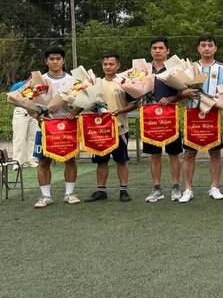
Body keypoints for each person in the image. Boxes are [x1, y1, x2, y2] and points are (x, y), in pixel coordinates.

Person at [179, 35, 223, 203]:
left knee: (215, 153)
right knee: (189, 153)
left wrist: (220, 101)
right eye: (203, 45)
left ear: (215, 48)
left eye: (210, 45)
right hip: (193, 115)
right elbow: (179, 92)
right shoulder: (189, 68)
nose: (206, 48)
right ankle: (187, 189)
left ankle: (215, 187)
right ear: (198, 48)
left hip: (212, 116)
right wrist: (184, 93)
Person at [85, 54, 138, 202]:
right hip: (100, 130)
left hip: (120, 129)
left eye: (111, 64)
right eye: (105, 64)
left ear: (118, 66)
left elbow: (134, 104)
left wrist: (120, 111)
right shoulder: (96, 83)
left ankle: (123, 190)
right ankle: (101, 190)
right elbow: (88, 103)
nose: (108, 67)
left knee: (122, 161)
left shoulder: (124, 83)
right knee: (101, 161)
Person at [33, 47, 78, 208]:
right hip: (45, 127)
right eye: (51, 59)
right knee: (43, 162)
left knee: (70, 159)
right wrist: (38, 116)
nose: (55, 62)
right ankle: (46, 196)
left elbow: (84, 99)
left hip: (67, 126)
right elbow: (29, 103)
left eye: (58, 59)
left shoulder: (73, 80)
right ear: (46, 61)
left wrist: (75, 111)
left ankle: (69, 194)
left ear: (63, 61)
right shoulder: (39, 80)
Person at [143, 37, 185, 203]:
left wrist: (170, 99)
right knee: (154, 155)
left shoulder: (175, 68)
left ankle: (176, 187)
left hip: (169, 118)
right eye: (154, 48)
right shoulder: (144, 69)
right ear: (150, 51)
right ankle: (157, 189)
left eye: (161, 48)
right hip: (150, 119)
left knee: (174, 154)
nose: (158, 51)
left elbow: (183, 92)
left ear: (168, 51)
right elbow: (135, 91)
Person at [10, 79, 40, 168]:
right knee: (19, 137)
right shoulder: (19, 85)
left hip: (34, 111)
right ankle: (18, 162)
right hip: (21, 111)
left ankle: (31, 160)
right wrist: (23, 103)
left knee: (33, 137)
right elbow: (10, 99)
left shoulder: (39, 87)